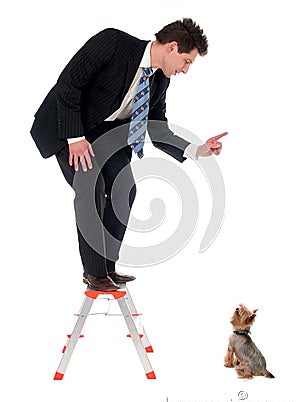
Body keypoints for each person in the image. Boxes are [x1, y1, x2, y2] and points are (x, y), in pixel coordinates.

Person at [30, 18, 227, 291]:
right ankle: (94, 273)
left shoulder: (159, 81)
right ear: (171, 47)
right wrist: (75, 138)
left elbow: (157, 128)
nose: (185, 70)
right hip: (67, 127)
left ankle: (107, 268)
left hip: (106, 136)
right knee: (92, 187)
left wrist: (197, 149)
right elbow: (69, 84)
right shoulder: (113, 43)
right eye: (186, 61)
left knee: (126, 189)